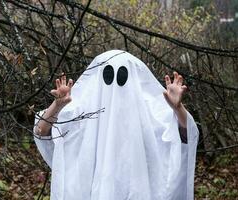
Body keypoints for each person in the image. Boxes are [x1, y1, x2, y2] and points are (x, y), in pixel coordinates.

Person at [33, 50, 199, 200]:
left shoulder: (148, 117)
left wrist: (178, 109)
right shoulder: (83, 115)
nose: (114, 87)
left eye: (121, 76)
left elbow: (184, 139)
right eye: (108, 75)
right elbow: (41, 132)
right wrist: (57, 105)